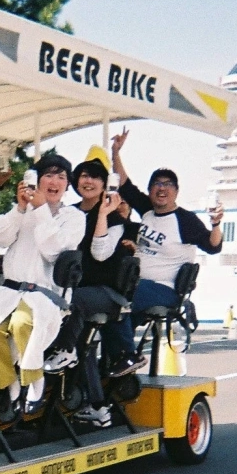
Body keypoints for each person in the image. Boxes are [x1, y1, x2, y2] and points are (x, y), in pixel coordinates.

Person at [0, 153, 86, 419]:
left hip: (45, 295)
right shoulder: (23, 211)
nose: (55, 181)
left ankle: (34, 378)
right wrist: (19, 208)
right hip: (10, 291)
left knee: (21, 324)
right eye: (49, 175)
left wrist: (40, 212)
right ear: (37, 180)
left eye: (61, 177)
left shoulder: (73, 217)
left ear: (67, 185)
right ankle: (10, 384)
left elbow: (54, 251)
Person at [43, 146, 145, 427]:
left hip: (107, 294)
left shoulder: (114, 218)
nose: (87, 181)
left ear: (104, 185)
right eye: (83, 177)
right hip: (78, 293)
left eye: (94, 178)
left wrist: (103, 213)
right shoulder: (68, 213)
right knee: (85, 346)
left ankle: (64, 350)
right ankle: (98, 407)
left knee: (70, 303)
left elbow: (100, 252)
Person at [110, 128, 223, 351]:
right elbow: (125, 185)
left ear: (176, 191)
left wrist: (216, 224)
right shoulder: (147, 211)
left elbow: (213, 246)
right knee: (109, 301)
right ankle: (113, 367)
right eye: (157, 184)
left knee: (120, 300)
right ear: (151, 190)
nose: (162, 188)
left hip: (165, 290)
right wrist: (115, 152)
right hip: (135, 283)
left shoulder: (185, 220)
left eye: (167, 184)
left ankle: (126, 356)